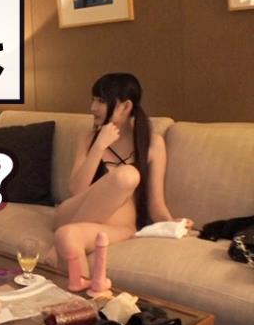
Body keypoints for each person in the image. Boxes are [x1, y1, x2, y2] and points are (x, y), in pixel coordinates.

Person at [41, 73, 192, 288]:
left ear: (126, 106)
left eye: (101, 101)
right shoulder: (89, 138)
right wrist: (99, 146)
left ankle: (82, 302)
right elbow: (76, 190)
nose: (92, 107)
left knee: (67, 236)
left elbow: (156, 204)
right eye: (93, 99)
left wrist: (171, 225)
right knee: (127, 175)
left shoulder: (152, 144)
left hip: (118, 226)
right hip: (71, 212)